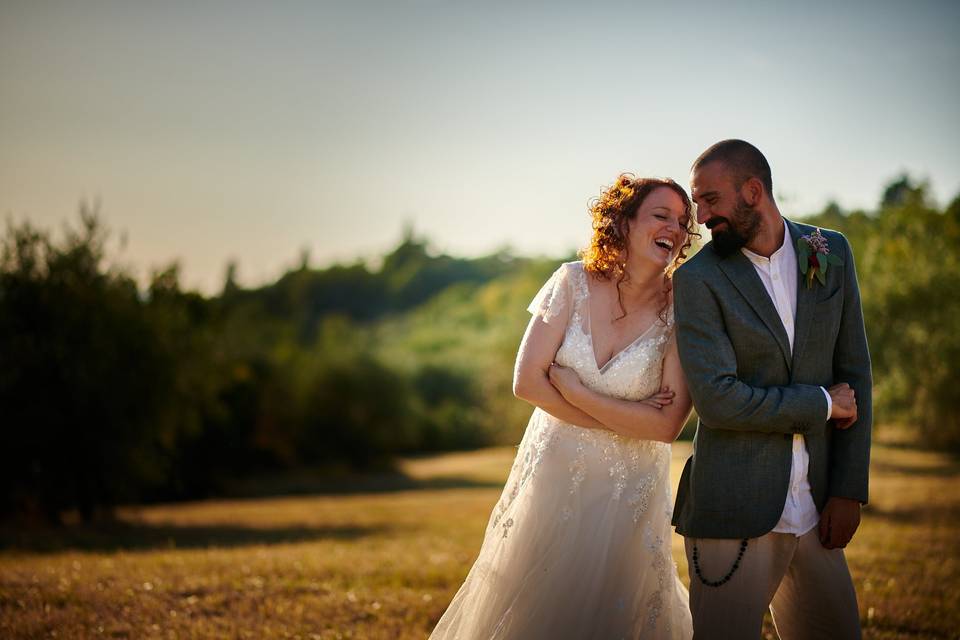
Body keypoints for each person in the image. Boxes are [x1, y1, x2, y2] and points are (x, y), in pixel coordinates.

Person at [430, 176, 698, 639]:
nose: (675, 229)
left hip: (627, 493)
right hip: (552, 479)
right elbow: (527, 383)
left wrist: (577, 391)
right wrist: (624, 416)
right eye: (661, 216)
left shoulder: (682, 310)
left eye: (682, 221)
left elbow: (666, 425)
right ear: (625, 221)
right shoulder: (571, 283)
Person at [672, 139, 871, 639]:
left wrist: (848, 490)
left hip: (818, 509)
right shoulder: (697, 279)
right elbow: (718, 400)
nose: (700, 216)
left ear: (753, 191)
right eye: (697, 203)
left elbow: (855, 370)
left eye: (710, 200)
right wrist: (822, 404)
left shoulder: (830, 252)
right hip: (733, 510)